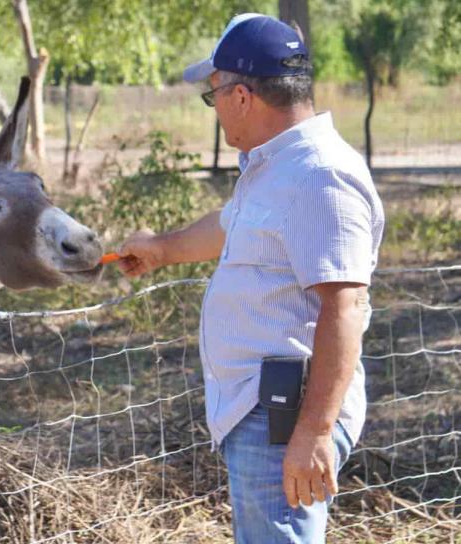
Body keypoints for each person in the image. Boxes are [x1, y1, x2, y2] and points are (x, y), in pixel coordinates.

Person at [117, 13, 384, 543]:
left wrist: (313, 432)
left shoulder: (319, 175)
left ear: (241, 96)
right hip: (266, 413)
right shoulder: (277, 166)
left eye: (212, 93)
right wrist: (162, 250)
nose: (213, 108)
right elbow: (232, 226)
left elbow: (345, 306)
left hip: (286, 419)